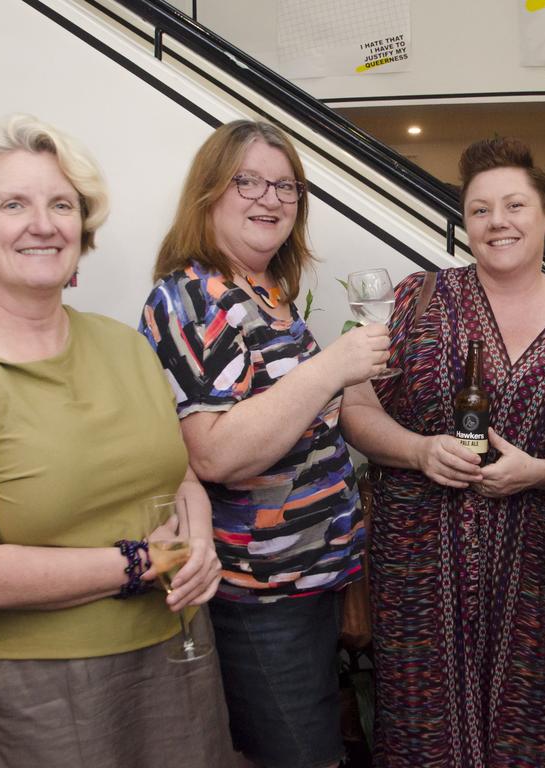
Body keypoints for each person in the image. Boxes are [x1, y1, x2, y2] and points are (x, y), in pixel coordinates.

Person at [0, 114, 235, 766]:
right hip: (45, 685)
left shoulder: (124, 344)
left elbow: (177, 479)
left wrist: (199, 539)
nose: (43, 223)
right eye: (13, 204)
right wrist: (140, 563)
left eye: (61, 204)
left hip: (178, 653)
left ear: (81, 229)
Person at [339, 136, 545, 767]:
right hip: (417, 569)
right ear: (463, 222)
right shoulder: (420, 298)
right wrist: (418, 450)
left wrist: (542, 472)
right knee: (420, 737)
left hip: (535, 575)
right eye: (479, 209)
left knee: (520, 737)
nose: (498, 221)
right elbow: (356, 409)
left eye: (515, 205)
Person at [139, 120, 388, 768]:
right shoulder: (194, 296)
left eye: (286, 186)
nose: (270, 198)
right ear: (208, 193)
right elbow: (215, 452)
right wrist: (333, 367)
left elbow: (291, 416)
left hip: (307, 581)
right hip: (259, 594)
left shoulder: (267, 290)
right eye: (247, 180)